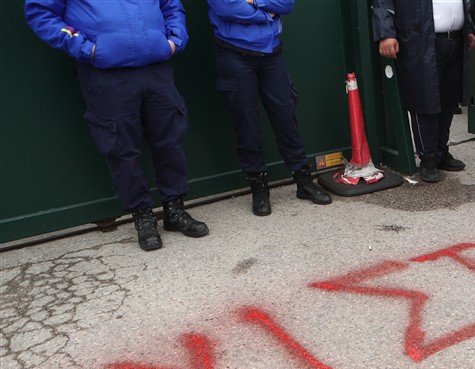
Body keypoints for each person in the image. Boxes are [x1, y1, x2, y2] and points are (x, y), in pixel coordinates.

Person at [25, 0, 210, 251]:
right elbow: (42, 13)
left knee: (169, 140)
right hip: (105, 74)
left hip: (156, 68)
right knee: (121, 147)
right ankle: (143, 217)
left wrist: (174, 40)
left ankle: (174, 210)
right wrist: (87, 49)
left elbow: (171, 6)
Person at [208, 0, 331, 216]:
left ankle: (303, 181)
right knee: (247, 123)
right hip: (234, 54)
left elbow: (286, 4)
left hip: (272, 53)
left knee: (285, 116)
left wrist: (255, 1)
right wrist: (266, 14)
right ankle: (259, 188)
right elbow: (227, 7)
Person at [373, 0, 475, 183]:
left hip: (455, 39)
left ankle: (440, 151)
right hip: (421, 40)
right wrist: (386, 33)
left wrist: (468, 27)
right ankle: (427, 157)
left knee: (450, 100)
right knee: (424, 98)